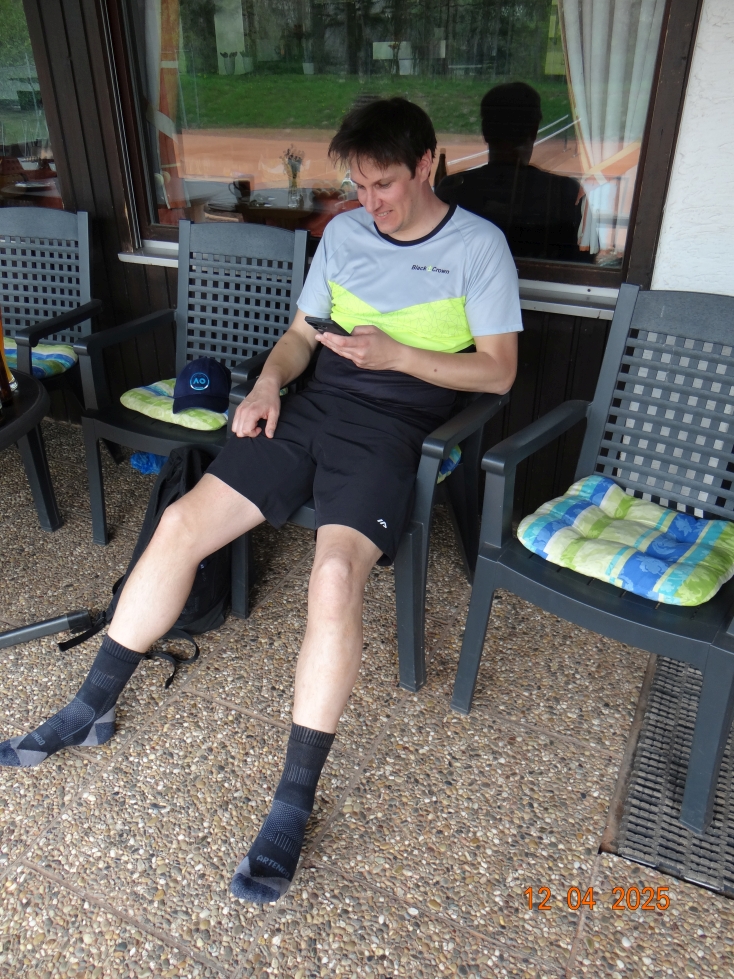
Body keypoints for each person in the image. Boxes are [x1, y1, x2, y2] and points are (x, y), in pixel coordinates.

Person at [0, 97, 522, 904]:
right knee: (180, 523)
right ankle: (90, 704)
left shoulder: (478, 247)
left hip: (394, 425)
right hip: (310, 408)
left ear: (427, 166)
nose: (370, 202)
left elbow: (498, 370)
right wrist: (271, 384)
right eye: (357, 185)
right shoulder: (344, 234)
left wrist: (399, 355)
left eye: (384, 184)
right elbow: (303, 334)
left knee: (334, 579)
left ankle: (293, 800)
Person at [437, 81, 591, 263]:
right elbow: (581, 260)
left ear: (485, 131)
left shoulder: (452, 190)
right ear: (533, 132)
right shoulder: (565, 191)